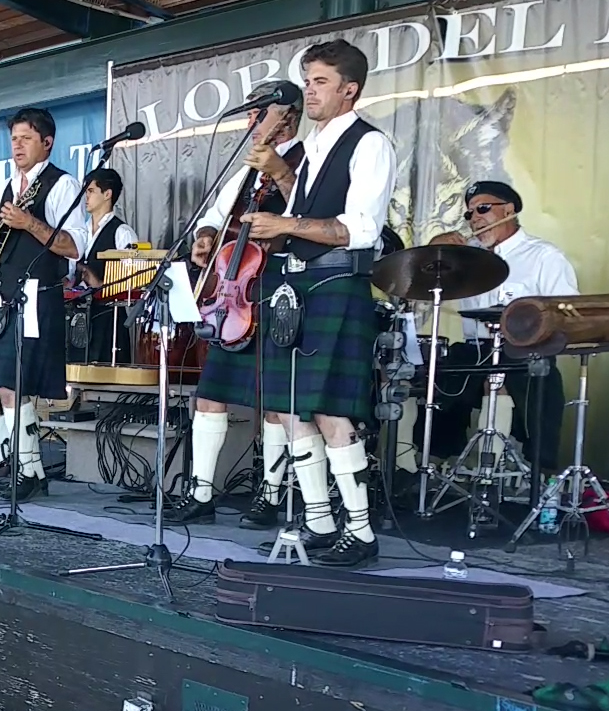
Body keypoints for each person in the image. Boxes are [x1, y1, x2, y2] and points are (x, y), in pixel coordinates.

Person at [209, 41, 397, 568]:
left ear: (349, 89)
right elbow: (307, 207)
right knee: (292, 411)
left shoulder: (369, 144)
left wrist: (284, 224)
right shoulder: (314, 144)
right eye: (307, 80)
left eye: (318, 81)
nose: (308, 90)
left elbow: (360, 228)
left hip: (337, 283)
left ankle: (359, 530)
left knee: (334, 412)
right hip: (297, 285)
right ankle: (319, 520)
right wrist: (282, 175)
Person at [164, 80, 306, 528]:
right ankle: (201, 491)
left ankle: (270, 492)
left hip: (281, 292)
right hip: (235, 295)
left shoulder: (308, 159)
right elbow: (214, 219)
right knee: (210, 395)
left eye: (260, 113)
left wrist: (280, 172)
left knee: (276, 404)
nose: (251, 121)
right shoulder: (245, 171)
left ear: (288, 117)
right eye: (250, 113)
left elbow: (311, 211)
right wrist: (205, 239)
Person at [0, 107, 88, 501]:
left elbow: (73, 246)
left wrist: (30, 224)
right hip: (4, 294)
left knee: (23, 383)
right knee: (7, 382)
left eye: (25, 138)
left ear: (47, 142)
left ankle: (29, 468)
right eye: (14, 138)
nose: (16, 145)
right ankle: (29, 467)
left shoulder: (62, 185)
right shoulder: (5, 187)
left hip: (39, 294)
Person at [424, 181, 578, 476]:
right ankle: (430, 464)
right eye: (469, 214)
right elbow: (422, 279)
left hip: (525, 350)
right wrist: (437, 250)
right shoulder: (467, 255)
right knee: (443, 374)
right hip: (477, 351)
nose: (474, 219)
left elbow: (566, 314)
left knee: (538, 381)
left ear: (509, 210)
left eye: (483, 209)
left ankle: (528, 473)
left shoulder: (543, 256)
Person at [69, 167, 139, 365]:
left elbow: (132, 282)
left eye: (90, 191)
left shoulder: (122, 232)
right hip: (78, 318)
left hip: (108, 320)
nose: (85, 196)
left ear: (107, 194)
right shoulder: (79, 231)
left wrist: (99, 283)